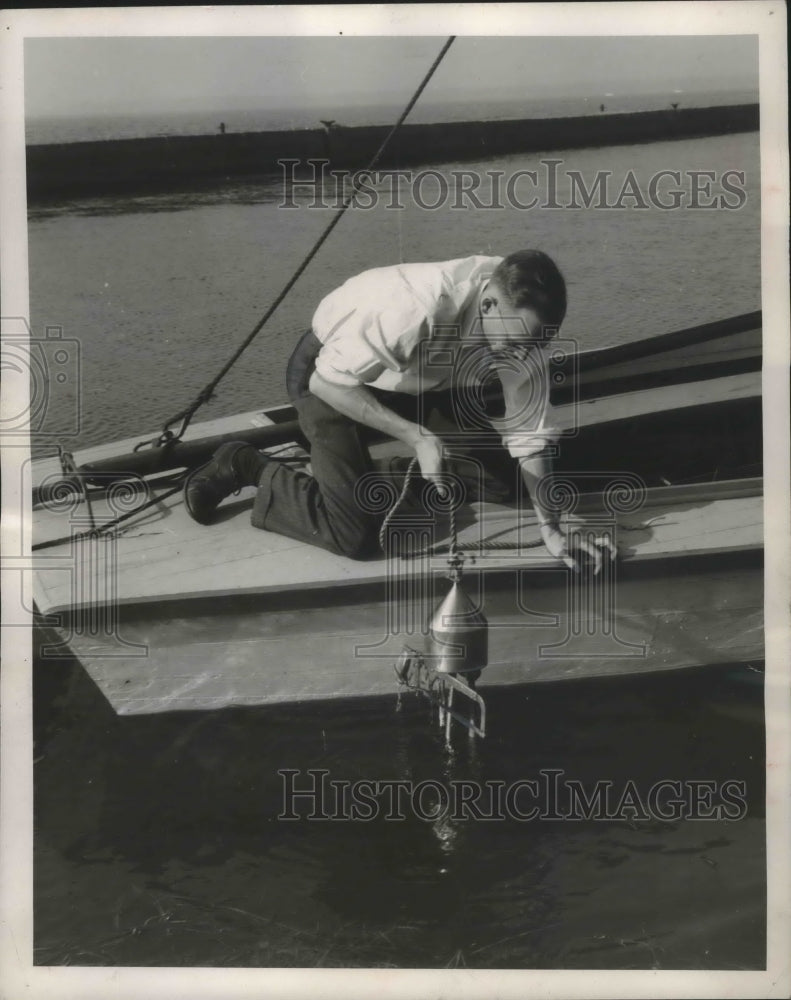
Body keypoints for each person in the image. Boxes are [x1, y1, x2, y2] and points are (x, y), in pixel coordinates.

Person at [183, 251, 612, 572]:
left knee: (505, 485)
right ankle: (248, 466)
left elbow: (529, 434)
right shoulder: (416, 309)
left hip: (417, 381)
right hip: (333, 377)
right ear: (487, 306)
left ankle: (375, 473)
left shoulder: (522, 328)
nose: (524, 355)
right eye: (518, 344)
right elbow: (325, 382)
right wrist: (418, 437)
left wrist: (551, 530)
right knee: (353, 536)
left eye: (534, 346)